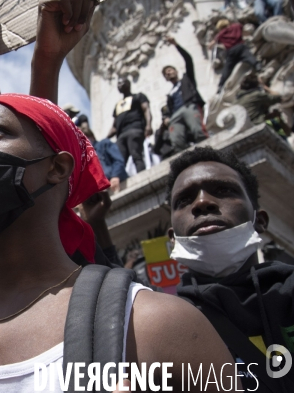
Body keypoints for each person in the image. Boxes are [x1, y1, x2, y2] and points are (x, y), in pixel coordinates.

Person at [0, 0, 237, 392]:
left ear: (58, 168)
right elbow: (32, 137)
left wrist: (44, 60)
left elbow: (38, 134)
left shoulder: (155, 328)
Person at [167, 147, 294, 392]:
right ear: (173, 238)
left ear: (260, 221)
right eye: (184, 200)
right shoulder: (164, 328)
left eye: (223, 190)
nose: (202, 203)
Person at [162, 36, 207, 154]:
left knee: (198, 131)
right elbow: (167, 111)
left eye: (170, 70)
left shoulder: (187, 80)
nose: (168, 73)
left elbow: (188, 59)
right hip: (175, 115)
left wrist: (176, 45)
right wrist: (166, 118)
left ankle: (207, 152)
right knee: (176, 140)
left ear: (176, 71)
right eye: (166, 73)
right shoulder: (170, 94)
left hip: (189, 106)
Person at [107, 77, 152, 173]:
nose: (119, 85)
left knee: (136, 155)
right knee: (119, 160)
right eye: (118, 84)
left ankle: (143, 175)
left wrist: (148, 125)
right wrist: (105, 138)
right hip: (121, 135)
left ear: (128, 84)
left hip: (135, 129)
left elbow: (146, 110)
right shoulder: (118, 105)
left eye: (121, 82)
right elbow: (114, 126)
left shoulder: (138, 96)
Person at [77, 114, 127, 193]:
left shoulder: (104, 144)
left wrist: (115, 176)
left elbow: (118, 160)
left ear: (91, 137)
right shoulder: (83, 158)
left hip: (116, 184)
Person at [208, 19, 260, 92]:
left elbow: (212, 44)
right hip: (240, 47)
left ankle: (220, 85)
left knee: (227, 68)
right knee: (249, 56)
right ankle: (257, 66)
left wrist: (210, 47)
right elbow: (245, 33)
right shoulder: (236, 26)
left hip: (231, 51)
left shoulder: (220, 34)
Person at [235, 73, 291, 138]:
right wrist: (265, 87)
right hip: (259, 127)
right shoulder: (256, 95)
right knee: (275, 123)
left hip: (244, 132)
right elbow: (279, 97)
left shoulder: (237, 101)